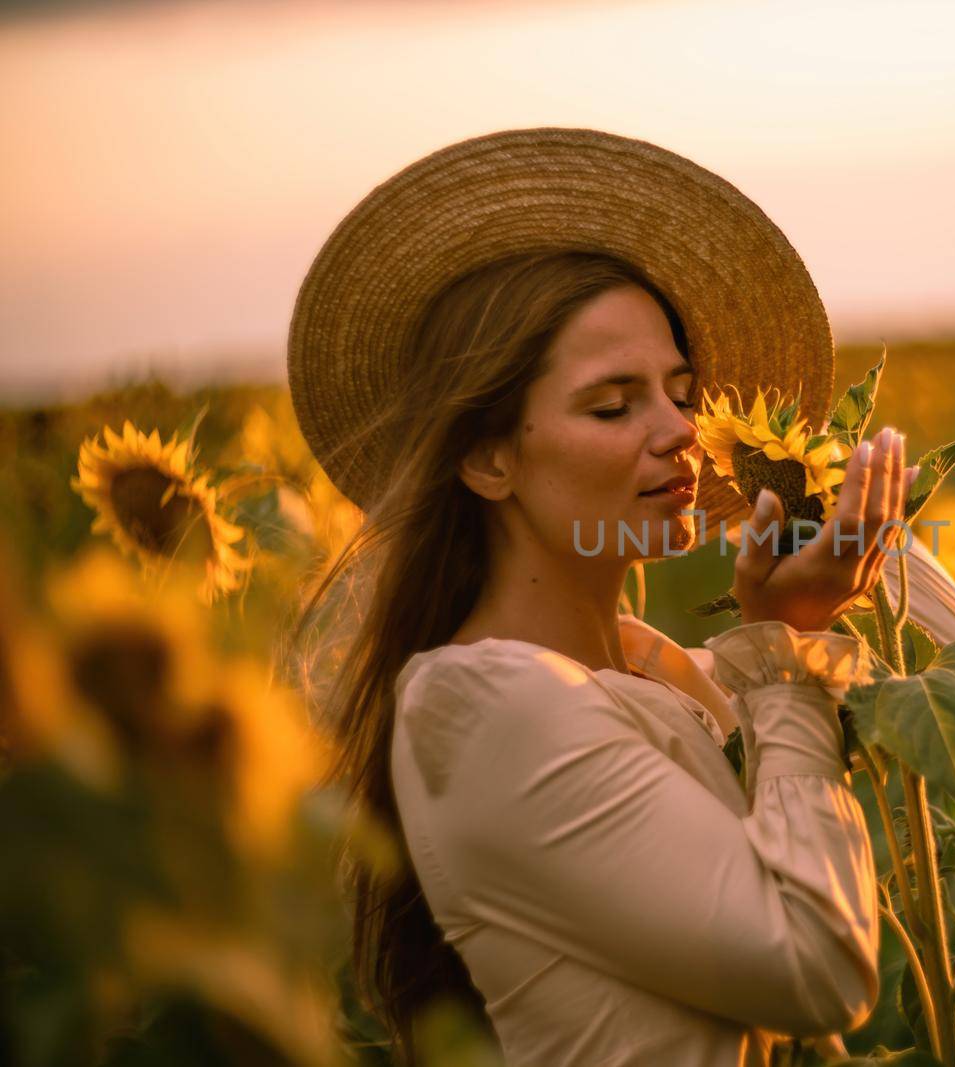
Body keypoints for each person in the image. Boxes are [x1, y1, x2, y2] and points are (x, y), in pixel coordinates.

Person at [285, 129, 917, 1067]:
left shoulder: (656, 666)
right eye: (613, 406)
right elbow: (817, 966)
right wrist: (788, 649)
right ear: (488, 457)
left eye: (681, 390)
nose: (682, 432)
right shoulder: (483, 706)